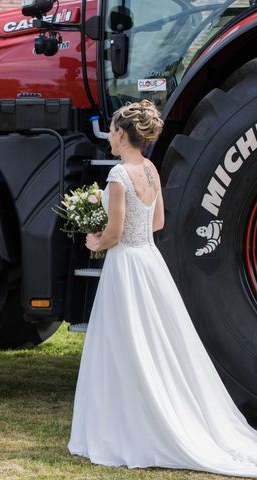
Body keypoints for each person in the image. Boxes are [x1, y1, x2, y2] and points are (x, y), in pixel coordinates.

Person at [67, 100, 257, 476]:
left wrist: (94, 241)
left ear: (122, 133)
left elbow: (116, 233)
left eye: (112, 130)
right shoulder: (151, 170)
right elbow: (157, 222)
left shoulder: (119, 175)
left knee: (124, 343)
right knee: (156, 341)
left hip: (125, 265)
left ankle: (127, 425)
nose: (109, 135)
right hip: (149, 261)